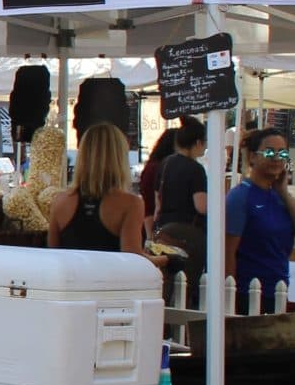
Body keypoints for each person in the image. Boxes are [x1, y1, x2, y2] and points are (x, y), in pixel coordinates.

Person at [226, 127, 295, 309]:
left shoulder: (279, 197)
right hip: (248, 293)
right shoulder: (240, 197)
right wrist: (229, 297)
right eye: (269, 152)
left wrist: (284, 192)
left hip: (278, 289)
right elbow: (228, 252)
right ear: (252, 157)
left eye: (282, 153)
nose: (276, 158)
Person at [48, 124, 146, 253]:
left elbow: (52, 252)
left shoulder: (61, 200)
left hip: (72, 272)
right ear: (120, 157)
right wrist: (169, 260)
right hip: (112, 273)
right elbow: (133, 258)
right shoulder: (131, 204)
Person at [148, 117, 211, 274]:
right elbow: (201, 206)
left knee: (166, 279)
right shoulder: (196, 169)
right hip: (188, 234)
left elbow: (158, 203)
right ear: (198, 142)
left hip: (163, 230)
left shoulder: (165, 163)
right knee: (187, 281)